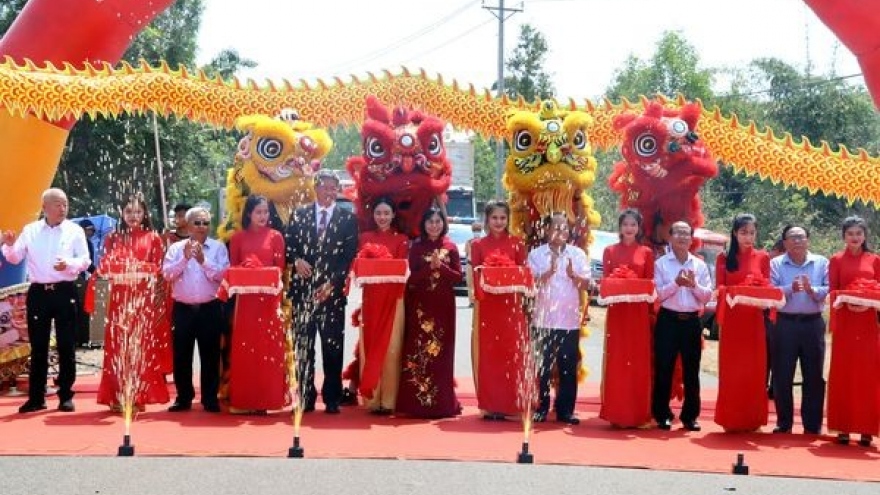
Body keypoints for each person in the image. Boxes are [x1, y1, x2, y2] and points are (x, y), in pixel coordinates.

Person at [1, 188, 91, 413]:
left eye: (65, 204)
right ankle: (36, 396)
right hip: (39, 292)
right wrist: (9, 244)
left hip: (64, 290)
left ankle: (65, 395)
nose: (63, 208)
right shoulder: (31, 230)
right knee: (38, 346)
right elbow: (14, 257)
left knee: (66, 344)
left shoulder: (74, 230)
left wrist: (68, 264)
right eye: (58, 204)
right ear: (45, 207)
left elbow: (85, 260)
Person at [284, 170, 358, 414]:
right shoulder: (300, 214)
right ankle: (305, 395)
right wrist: (296, 260)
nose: (329, 192)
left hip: (332, 295)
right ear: (316, 188)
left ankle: (332, 397)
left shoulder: (347, 218)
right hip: (303, 292)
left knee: (332, 346)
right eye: (325, 187)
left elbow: (348, 257)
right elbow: (289, 245)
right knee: (304, 346)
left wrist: (332, 284)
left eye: (333, 189)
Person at [96, 193, 170, 412]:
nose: (133, 216)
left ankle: (138, 395)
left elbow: (159, 270)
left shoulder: (154, 237)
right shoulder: (113, 237)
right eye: (128, 211)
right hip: (118, 301)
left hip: (142, 302)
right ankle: (117, 395)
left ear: (145, 213)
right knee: (118, 348)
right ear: (121, 213)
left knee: (139, 346)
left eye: (138, 211)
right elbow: (105, 266)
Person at [162, 206, 229, 413]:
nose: (201, 227)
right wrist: (184, 259)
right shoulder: (176, 248)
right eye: (197, 223)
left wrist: (203, 261)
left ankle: (209, 398)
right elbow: (167, 274)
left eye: (205, 223)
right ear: (188, 225)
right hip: (183, 308)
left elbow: (223, 275)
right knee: (182, 355)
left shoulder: (218, 247)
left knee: (210, 355)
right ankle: (183, 397)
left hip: (210, 307)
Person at [396, 208, 461, 418]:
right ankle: (417, 403)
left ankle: (441, 404)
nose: (434, 225)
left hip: (444, 307)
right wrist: (428, 269)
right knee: (419, 352)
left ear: (443, 223)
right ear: (423, 224)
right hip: (421, 307)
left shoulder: (450, 247)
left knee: (442, 354)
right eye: (430, 221)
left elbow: (458, 278)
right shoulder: (416, 248)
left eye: (438, 221)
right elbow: (411, 279)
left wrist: (440, 267)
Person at [226, 195, 288, 414]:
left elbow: (280, 269)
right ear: (249, 214)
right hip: (245, 304)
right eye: (258, 212)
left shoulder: (276, 237)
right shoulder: (237, 239)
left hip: (269, 302)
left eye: (266, 212)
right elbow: (232, 269)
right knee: (245, 349)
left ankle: (268, 400)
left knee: (268, 349)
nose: (263, 216)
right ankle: (244, 400)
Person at [527, 212, 590, 425]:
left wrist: (573, 275)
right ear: (546, 230)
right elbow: (529, 286)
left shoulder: (577, 254)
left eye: (564, 228)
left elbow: (587, 285)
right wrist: (547, 272)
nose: (560, 231)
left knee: (567, 367)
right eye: (556, 227)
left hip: (568, 320)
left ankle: (565, 410)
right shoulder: (536, 255)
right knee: (542, 367)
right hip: (542, 320)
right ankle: (541, 407)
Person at [470, 200, 528, 420]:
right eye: (494, 218)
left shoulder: (516, 244)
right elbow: (475, 274)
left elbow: (523, 275)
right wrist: (481, 296)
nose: (498, 222)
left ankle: (511, 405)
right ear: (487, 219)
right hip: (488, 307)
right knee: (489, 356)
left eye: (503, 218)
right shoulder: (478, 245)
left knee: (510, 355)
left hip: (510, 308)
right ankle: (490, 405)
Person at [652, 221, 712, 431]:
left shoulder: (699, 265)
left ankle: (690, 416)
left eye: (686, 234)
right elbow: (658, 294)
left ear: (691, 238)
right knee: (664, 369)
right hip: (668, 319)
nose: (682, 237)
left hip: (691, 322)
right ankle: (662, 414)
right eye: (678, 233)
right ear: (670, 237)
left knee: (691, 371)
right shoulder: (661, 264)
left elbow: (707, 296)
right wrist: (676, 283)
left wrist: (694, 285)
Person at [713, 213, 771, 432]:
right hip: (732, 321)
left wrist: (756, 291)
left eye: (751, 233)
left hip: (754, 322)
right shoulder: (723, 258)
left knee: (754, 371)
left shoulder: (763, 257)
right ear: (735, 234)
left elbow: (768, 287)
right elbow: (719, 288)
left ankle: (753, 419)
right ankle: (731, 419)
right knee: (733, 370)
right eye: (743, 232)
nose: (748, 237)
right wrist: (737, 292)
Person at [769, 224, 829, 435]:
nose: (797, 241)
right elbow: (769, 290)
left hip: (812, 323)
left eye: (801, 237)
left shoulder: (821, 262)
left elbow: (830, 288)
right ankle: (784, 423)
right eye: (792, 237)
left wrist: (814, 290)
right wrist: (788, 289)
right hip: (785, 323)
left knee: (813, 375)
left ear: (808, 240)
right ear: (784, 242)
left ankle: (812, 425)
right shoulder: (776, 263)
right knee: (782, 374)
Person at [599, 209, 655, 428]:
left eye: (633, 225)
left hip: (638, 315)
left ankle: (637, 413)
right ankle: (616, 412)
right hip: (618, 314)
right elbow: (605, 282)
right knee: (617, 360)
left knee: (638, 361)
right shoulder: (609, 251)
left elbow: (650, 283)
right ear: (620, 227)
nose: (629, 228)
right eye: (626, 224)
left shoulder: (646, 252)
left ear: (639, 228)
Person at [827, 216, 880, 447]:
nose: (855, 238)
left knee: (867, 376)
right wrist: (847, 303)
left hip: (868, 325)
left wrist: (868, 304)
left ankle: (867, 428)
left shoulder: (875, 260)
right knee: (844, 374)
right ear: (844, 236)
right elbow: (833, 291)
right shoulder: (836, 260)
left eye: (859, 233)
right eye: (850, 234)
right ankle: (844, 427)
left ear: (865, 236)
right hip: (846, 324)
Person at [353, 197, 409, 414]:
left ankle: (389, 400)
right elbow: (359, 268)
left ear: (393, 215)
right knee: (370, 344)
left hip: (395, 299)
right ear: (373, 215)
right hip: (371, 300)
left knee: (392, 349)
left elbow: (403, 270)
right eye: (379, 213)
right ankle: (372, 398)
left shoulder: (402, 240)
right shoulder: (365, 238)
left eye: (386, 213)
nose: (382, 217)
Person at [75, 218, 97, 347]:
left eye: (93, 230)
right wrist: (96, 270)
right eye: (89, 230)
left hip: (83, 277)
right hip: (75, 277)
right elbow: (86, 263)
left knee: (83, 308)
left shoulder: (89, 243)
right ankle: (79, 337)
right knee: (79, 307)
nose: (91, 232)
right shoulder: (76, 242)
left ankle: (82, 337)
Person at [465, 221, 483, 307]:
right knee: (470, 284)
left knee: (479, 283)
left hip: (479, 265)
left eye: (478, 229)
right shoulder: (468, 242)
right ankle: (471, 301)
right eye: (475, 229)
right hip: (470, 264)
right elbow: (467, 253)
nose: (477, 231)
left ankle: (478, 300)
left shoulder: (483, 242)